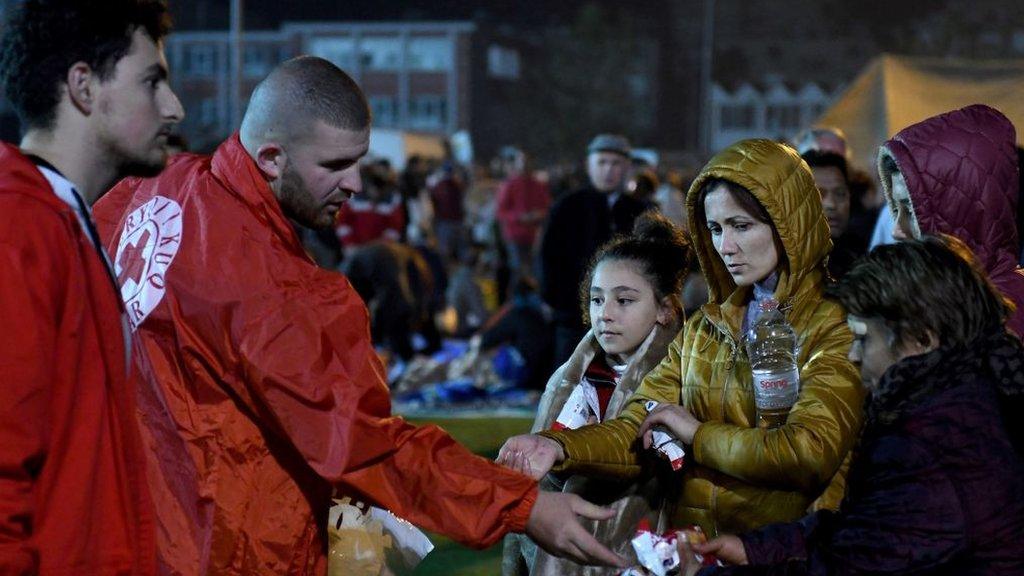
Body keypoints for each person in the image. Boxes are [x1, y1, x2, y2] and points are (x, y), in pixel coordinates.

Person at [91, 56, 625, 574]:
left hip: (127, 527)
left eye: (359, 160)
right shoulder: (279, 291)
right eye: (334, 165)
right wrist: (522, 506)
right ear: (272, 158)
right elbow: (363, 445)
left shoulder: (146, 190)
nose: (355, 183)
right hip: (227, 542)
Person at [500, 139, 864, 541]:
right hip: (694, 554)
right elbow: (634, 428)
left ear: (787, 223)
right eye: (714, 229)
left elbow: (808, 452)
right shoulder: (704, 328)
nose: (725, 247)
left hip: (784, 551)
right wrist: (559, 447)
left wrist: (696, 435)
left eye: (741, 226)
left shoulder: (834, 322)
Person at [686, 235, 1024, 575]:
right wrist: (756, 548)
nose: (853, 355)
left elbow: (851, 566)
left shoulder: (931, 443)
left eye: (863, 338)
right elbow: (867, 528)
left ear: (922, 339)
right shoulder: (968, 395)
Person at [0, 1, 183, 573]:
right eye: (151, 81)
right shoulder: (19, 226)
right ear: (83, 86)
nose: (173, 108)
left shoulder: (60, 218)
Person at [502, 211, 690, 575]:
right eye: (597, 299)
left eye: (624, 301)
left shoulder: (684, 373)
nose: (606, 314)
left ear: (665, 310)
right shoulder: (571, 377)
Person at [877, 104, 1024, 336]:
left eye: (911, 209)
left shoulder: (1001, 319)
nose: (897, 230)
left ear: (961, 209)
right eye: (896, 208)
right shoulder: (938, 300)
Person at [539, 133, 650, 366]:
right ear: (589, 165)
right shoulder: (567, 206)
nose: (608, 170)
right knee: (569, 381)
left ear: (627, 167)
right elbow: (548, 256)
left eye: (615, 163)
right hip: (572, 314)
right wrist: (555, 300)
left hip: (625, 316)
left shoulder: (640, 211)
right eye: (602, 162)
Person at [799, 150, 868, 279]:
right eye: (818, 194)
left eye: (840, 193)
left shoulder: (862, 255)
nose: (831, 204)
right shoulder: (784, 264)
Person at [495, 147, 551, 277]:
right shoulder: (509, 185)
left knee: (537, 271)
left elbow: (547, 206)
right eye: (521, 160)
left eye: (527, 160)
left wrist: (540, 214)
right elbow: (501, 212)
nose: (525, 164)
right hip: (515, 236)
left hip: (535, 236)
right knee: (520, 273)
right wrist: (519, 217)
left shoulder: (539, 185)